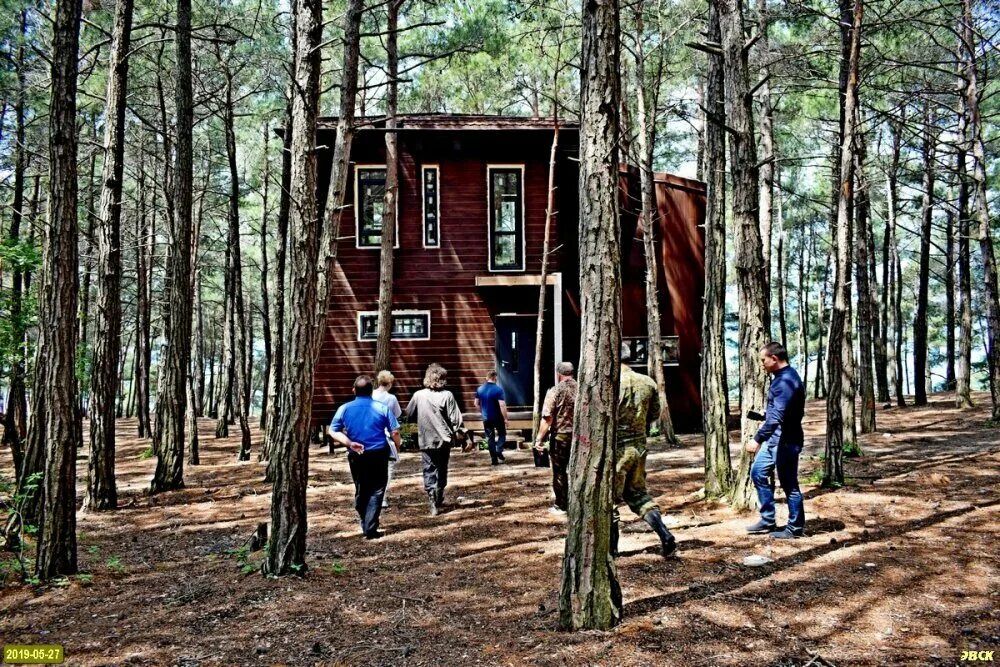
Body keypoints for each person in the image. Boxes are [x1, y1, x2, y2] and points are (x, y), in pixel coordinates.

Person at [612, 346, 676, 558]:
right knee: (639, 495)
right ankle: (664, 534)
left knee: (609, 500)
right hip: (638, 446)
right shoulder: (647, 382)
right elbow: (654, 414)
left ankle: (611, 550)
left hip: (616, 449)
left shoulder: (610, 383)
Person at [745, 341, 807, 539]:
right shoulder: (783, 378)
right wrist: (765, 414)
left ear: (774, 358)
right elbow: (781, 411)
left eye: (763, 360)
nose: (761, 364)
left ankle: (795, 528)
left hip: (787, 441)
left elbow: (777, 418)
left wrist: (756, 439)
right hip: (776, 439)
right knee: (757, 473)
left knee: (789, 484)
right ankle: (768, 519)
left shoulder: (785, 381)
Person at [329, 375, 401, 539]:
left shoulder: (345, 408)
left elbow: (333, 430)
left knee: (361, 486)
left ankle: (364, 516)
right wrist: (397, 446)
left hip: (356, 454)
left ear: (354, 390)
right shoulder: (382, 408)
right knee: (377, 489)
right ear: (371, 391)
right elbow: (395, 431)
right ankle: (370, 526)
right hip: (379, 453)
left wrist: (349, 443)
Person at [405, 363, 464, 516]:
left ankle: (432, 499)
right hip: (444, 438)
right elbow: (455, 418)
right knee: (442, 466)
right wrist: (461, 433)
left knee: (429, 468)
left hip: (426, 437)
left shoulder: (418, 395)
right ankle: (439, 495)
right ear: (442, 379)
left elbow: (409, 413)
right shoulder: (447, 395)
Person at [534, 361, 577, 514]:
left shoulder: (555, 391)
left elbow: (547, 418)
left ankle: (561, 504)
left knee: (559, 471)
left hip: (561, 437)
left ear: (558, 374)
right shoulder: (582, 390)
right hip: (581, 438)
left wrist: (539, 439)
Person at [373, 370, 403, 509]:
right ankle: (382, 497)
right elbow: (397, 414)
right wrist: (398, 444)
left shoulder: (370, 395)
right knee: (387, 468)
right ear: (390, 383)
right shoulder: (391, 398)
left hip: (371, 433)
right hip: (386, 435)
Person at [474, 370, 509, 465]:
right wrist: (505, 418)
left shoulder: (480, 389)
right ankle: (498, 450)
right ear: (495, 378)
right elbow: (502, 405)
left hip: (486, 418)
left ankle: (494, 460)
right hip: (498, 417)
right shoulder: (498, 389)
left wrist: (482, 412)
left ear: (487, 378)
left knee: (490, 438)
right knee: (502, 434)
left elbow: (476, 403)